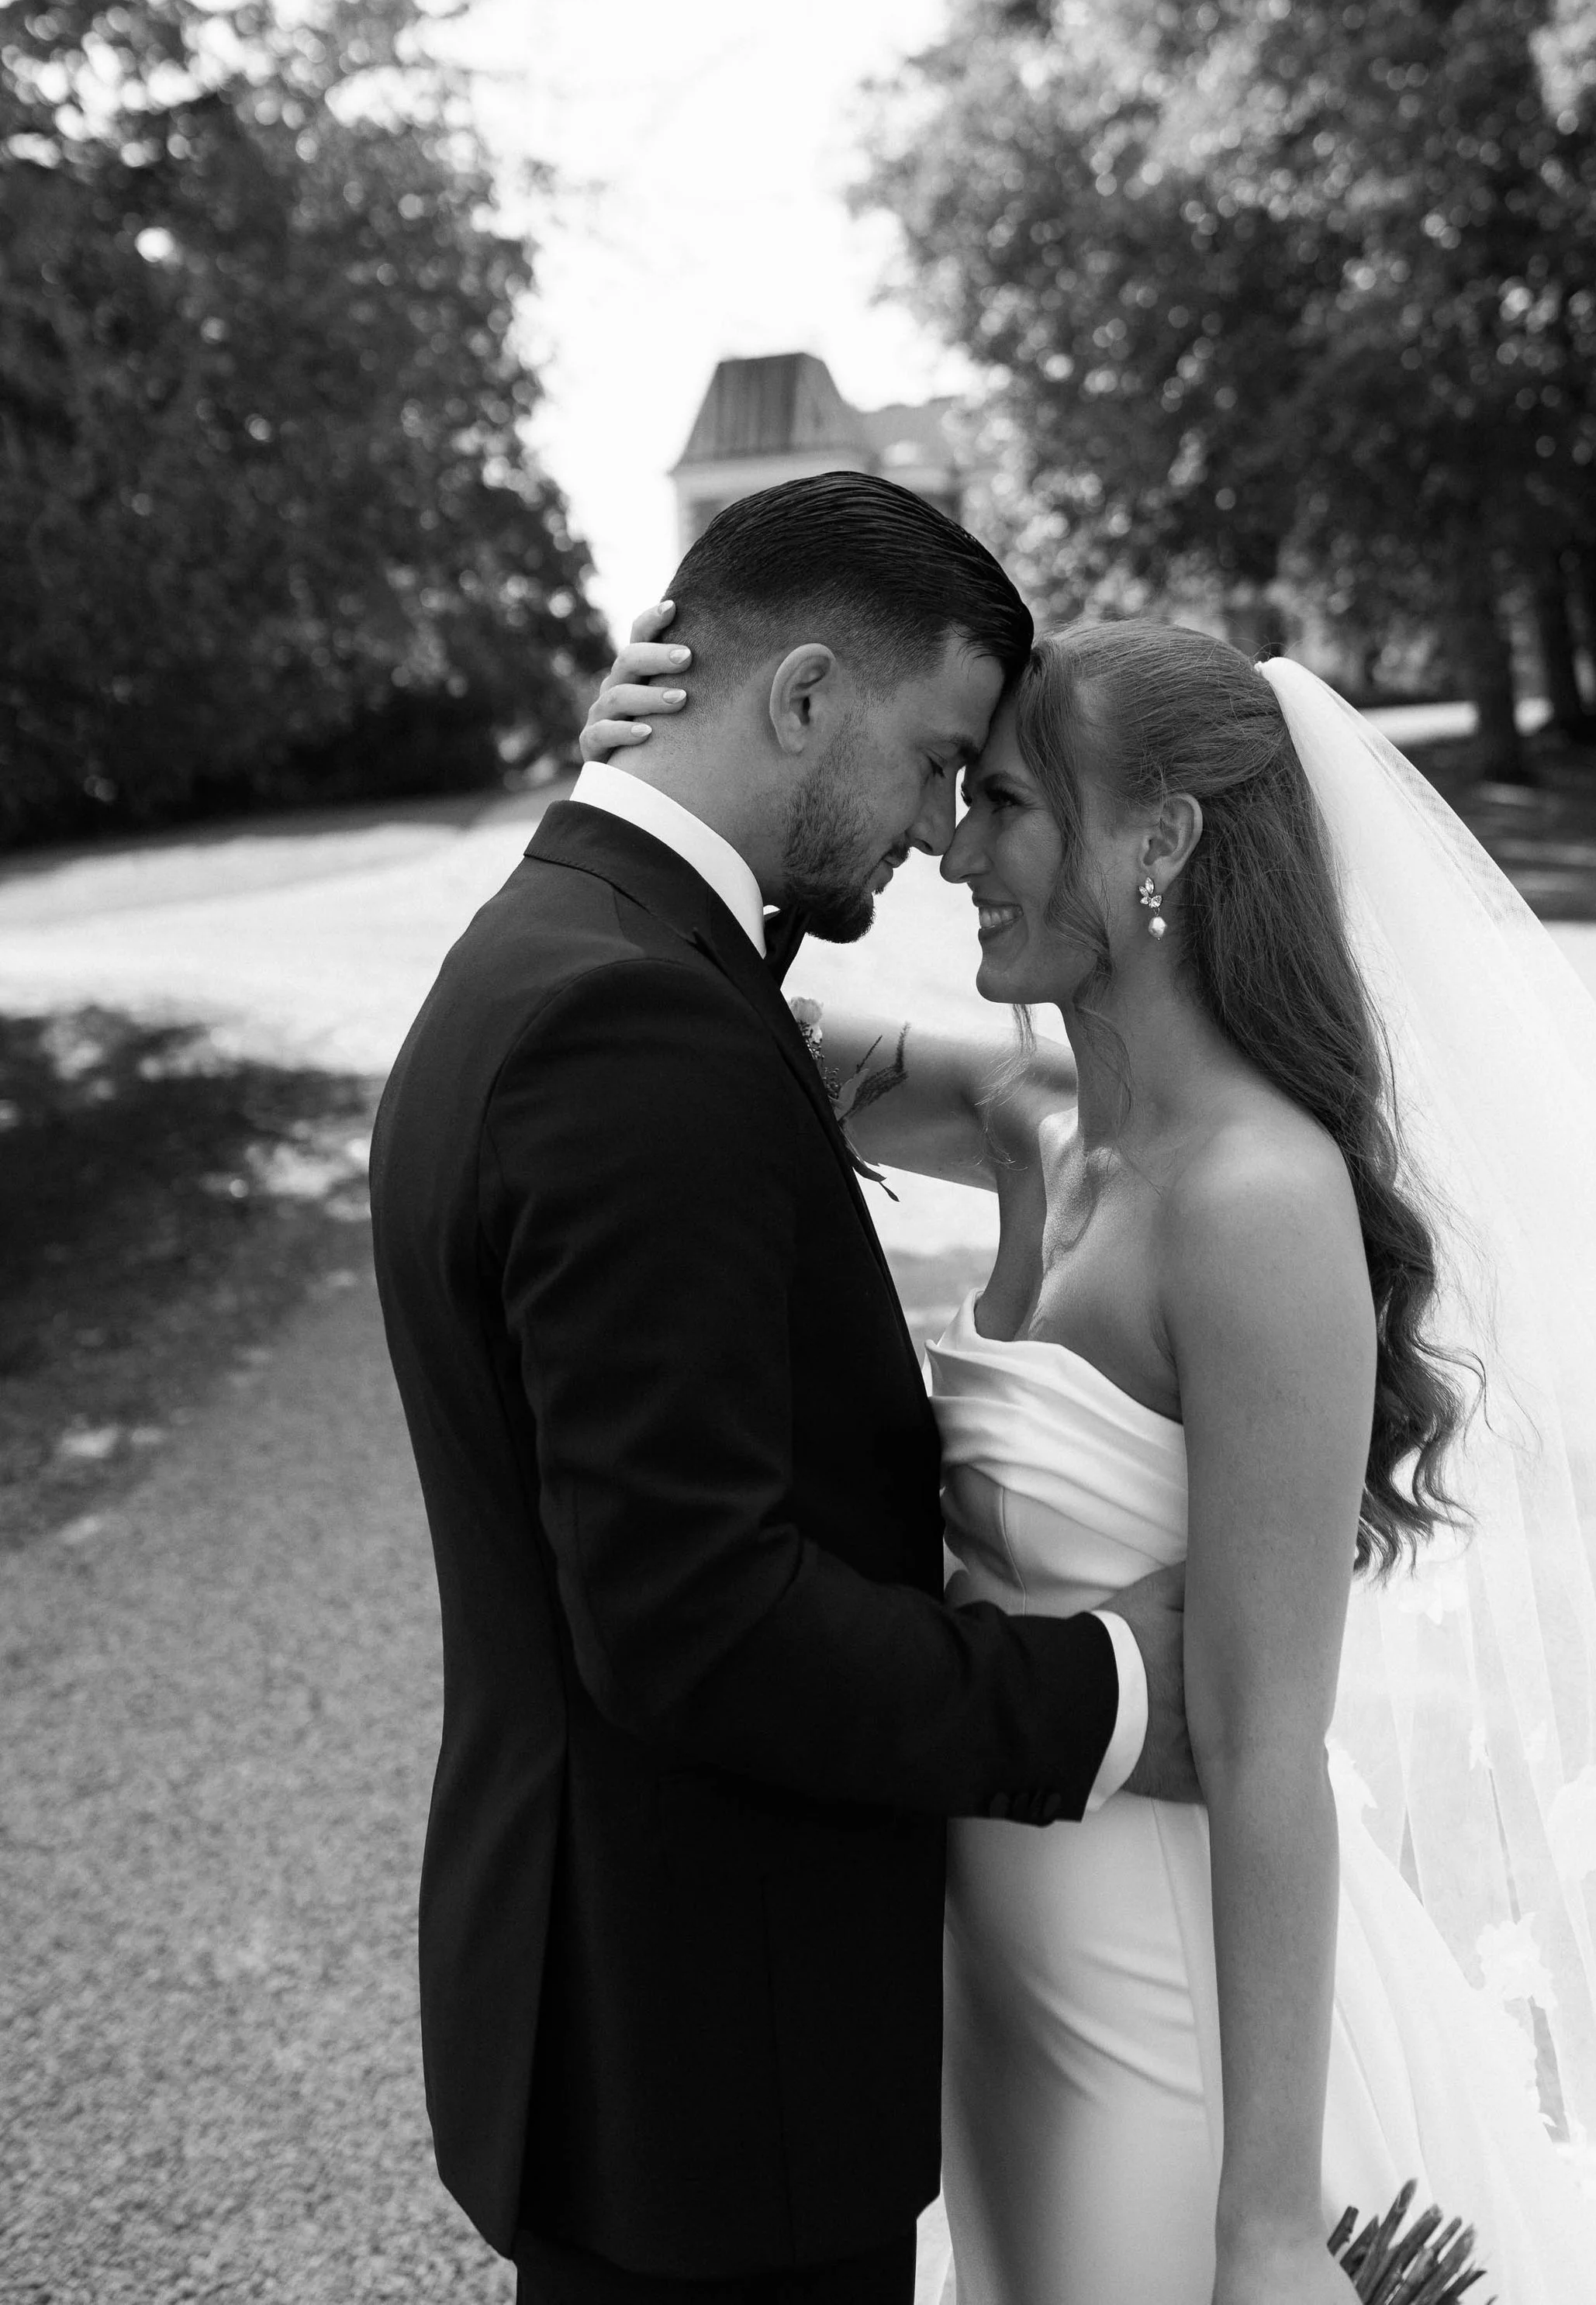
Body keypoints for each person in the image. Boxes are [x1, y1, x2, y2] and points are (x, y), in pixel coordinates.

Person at [586, 611, 1596, 2305]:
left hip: (1166, 2015)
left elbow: (1270, 1752)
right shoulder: (1037, 1124)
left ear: (1158, 839)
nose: (948, 850)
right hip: (1003, 1987)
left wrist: (1267, 2227)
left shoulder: (1258, 1208)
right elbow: (682, 1013)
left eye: (1002, 804)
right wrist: (641, 784)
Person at [369, 475, 1195, 2305]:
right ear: (804, 696)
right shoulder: (631, 1027)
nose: (933, 829)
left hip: (647, 2029)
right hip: (707, 2060)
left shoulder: (586, 945)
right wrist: (1122, 1691)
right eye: (932, 761)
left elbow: (801, 1050)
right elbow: (696, 1621)